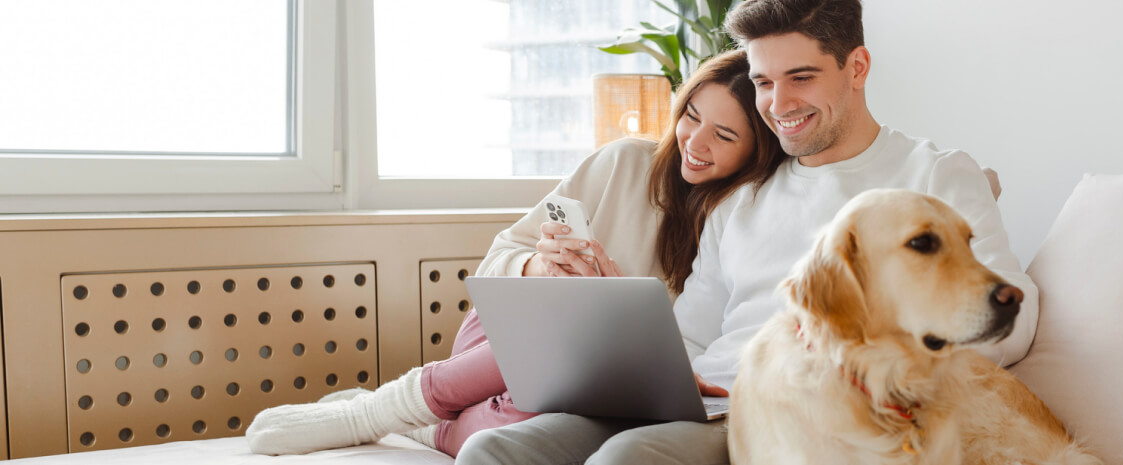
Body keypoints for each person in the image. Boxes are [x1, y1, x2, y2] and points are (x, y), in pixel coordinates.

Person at [455, 0, 1040, 463]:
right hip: (706, 400)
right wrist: (658, 368)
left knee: (629, 460)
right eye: (763, 81)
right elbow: (693, 333)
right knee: (495, 451)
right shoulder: (745, 195)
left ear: (856, 68)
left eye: (801, 77)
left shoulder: (935, 174)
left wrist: (864, 350)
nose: (778, 103)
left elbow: (1009, 320)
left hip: (801, 413)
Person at [242, 49, 785, 458]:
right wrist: (538, 267)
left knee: (524, 431)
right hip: (500, 339)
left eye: (723, 135)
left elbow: (679, 355)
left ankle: (425, 425)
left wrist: (613, 305)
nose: (694, 142)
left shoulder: (740, 217)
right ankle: (373, 411)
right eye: (691, 115)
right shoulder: (622, 163)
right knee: (559, 324)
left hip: (581, 383)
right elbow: (499, 258)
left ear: (756, 149)